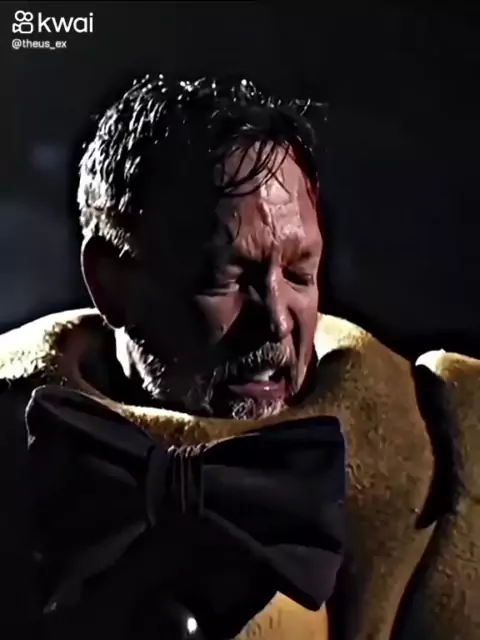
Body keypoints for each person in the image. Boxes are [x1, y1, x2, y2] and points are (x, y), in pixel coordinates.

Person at [0, 75, 346, 639]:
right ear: (110, 282)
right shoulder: (14, 468)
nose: (278, 321)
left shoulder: (424, 484)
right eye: (225, 277)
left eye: (299, 274)